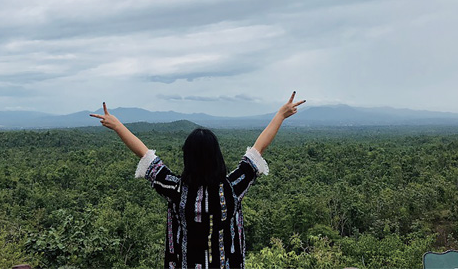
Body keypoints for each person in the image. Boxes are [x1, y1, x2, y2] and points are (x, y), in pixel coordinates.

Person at [90, 92, 305, 269]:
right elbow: (259, 149)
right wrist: (280, 115)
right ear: (218, 156)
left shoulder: (175, 189)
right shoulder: (232, 189)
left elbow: (145, 155)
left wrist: (117, 125)